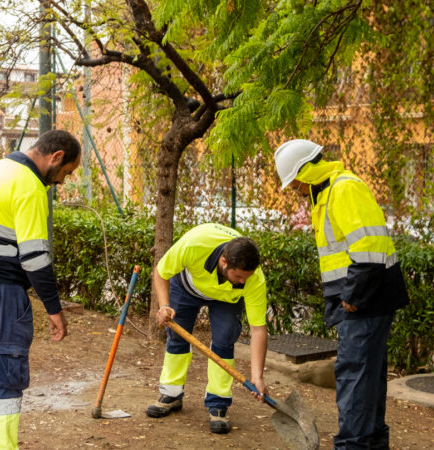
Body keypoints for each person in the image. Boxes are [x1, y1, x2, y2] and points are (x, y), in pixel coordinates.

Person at [0, 129, 81, 449]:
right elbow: (35, 258)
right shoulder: (30, 185)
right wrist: (55, 310)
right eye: (66, 173)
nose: (61, 181)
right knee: (4, 381)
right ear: (57, 157)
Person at [274, 139, 409, 450]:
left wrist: (352, 294)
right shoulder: (326, 194)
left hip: (364, 300)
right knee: (367, 380)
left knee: (355, 379)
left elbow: (369, 247)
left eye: (293, 182)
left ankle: (352, 445)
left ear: (305, 172)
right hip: (361, 299)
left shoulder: (343, 189)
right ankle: (369, 444)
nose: (293, 189)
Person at [146, 222, 269, 435]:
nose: (243, 281)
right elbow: (161, 272)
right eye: (239, 276)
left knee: (224, 339)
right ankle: (171, 394)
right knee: (177, 337)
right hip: (187, 286)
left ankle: (218, 402)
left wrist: (257, 376)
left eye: (246, 278)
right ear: (224, 262)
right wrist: (164, 306)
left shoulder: (253, 279)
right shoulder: (194, 245)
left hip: (226, 299)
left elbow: (258, 329)